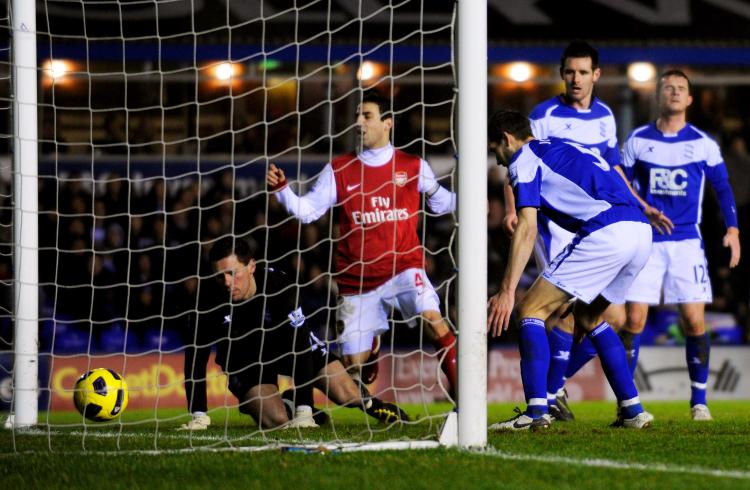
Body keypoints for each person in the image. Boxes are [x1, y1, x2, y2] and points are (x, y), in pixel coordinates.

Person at [266, 92, 458, 399]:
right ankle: (371, 351)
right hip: (357, 280)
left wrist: (473, 199)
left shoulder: (412, 165)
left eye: (366, 116)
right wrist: (283, 191)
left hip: (403, 268)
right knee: (353, 373)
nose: (358, 122)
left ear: (387, 123)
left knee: (434, 321)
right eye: (356, 115)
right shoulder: (339, 169)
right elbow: (309, 211)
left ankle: (465, 399)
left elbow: (440, 203)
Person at [487, 109, 657, 430]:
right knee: (590, 318)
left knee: (529, 310)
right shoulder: (562, 145)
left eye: (495, 150)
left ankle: (536, 412)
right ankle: (633, 410)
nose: (497, 160)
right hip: (640, 231)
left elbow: (527, 226)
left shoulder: (524, 158)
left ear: (508, 140)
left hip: (607, 230)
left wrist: (507, 291)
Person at [502, 41, 620, 421]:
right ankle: (550, 395)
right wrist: (512, 209)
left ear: (596, 75)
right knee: (563, 310)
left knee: (614, 317)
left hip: (602, 222)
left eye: (583, 72)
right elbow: (519, 160)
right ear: (561, 74)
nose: (576, 79)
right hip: (556, 224)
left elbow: (613, 168)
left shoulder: (606, 116)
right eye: (570, 72)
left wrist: (640, 204)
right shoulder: (544, 114)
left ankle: (552, 389)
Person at [180, 236, 409, 430]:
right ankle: (283, 405)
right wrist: (198, 414)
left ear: (251, 266)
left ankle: (372, 404)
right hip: (246, 362)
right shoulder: (206, 301)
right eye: (220, 276)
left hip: (288, 347)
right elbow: (195, 360)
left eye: (233, 273)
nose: (227, 282)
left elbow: (301, 347)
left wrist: (305, 410)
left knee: (346, 393)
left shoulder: (280, 286)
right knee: (276, 420)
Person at [618, 70, 741, 421]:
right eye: (667, 88)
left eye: (681, 89)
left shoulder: (703, 144)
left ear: (689, 100)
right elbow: (621, 184)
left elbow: (723, 188)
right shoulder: (638, 140)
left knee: (694, 321)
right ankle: (627, 401)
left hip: (686, 242)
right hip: (647, 241)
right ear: (658, 96)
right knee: (634, 320)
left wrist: (733, 229)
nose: (673, 93)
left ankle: (699, 401)